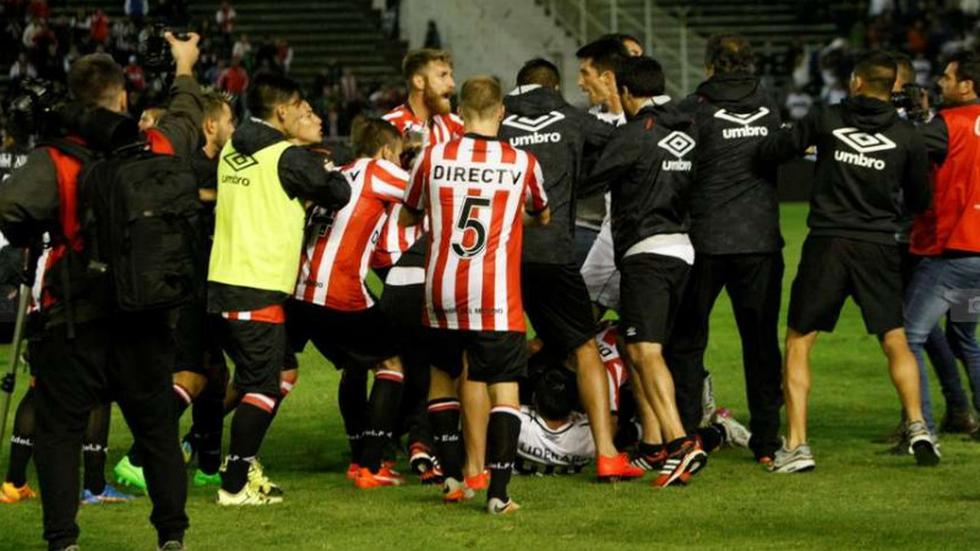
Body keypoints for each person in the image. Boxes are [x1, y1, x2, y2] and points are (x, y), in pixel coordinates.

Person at [0, 32, 203, 551]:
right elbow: (186, 114)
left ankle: (63, 540)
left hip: (77, 317)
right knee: (156, 431)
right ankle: (171, 536)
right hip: (147, 314)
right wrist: (182, 64)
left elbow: (10, 210)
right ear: (122, 99)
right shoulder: (155, 146)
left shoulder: (55, 160)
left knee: (60, 432)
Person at [757, 51, 939, 472]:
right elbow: (921, 200)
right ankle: (917, 424)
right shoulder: (907, 135)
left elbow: (773, 151)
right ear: (893, 86)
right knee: (895, 338)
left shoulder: (826, 118)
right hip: (877, 244)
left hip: (828, 243)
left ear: (856, 82)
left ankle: (798, 445)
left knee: (800, 341)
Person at [400, 75, 549, 514]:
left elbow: (409, 215)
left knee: (443, 378)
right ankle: (498, 494)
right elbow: (542, 213)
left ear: (460, 113)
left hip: (441, 289)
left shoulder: (432, 156)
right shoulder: (523, 162)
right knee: (505, 391)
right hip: (495, 297)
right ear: (501, 112)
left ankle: (451, 478)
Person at [207, 72, 351, 506]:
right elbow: (338, 191)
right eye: (300, 104)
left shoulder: (235, 146)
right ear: (283, 109)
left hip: (225, 279)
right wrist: (321, 166)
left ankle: (222, 456)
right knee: (262, 386)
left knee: (278, 373)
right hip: (258, 283)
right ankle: (234, 483)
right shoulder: (286, 156)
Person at [498, 57, 643, 481]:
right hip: (553, 253)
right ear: (555, 88)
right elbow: (625, 141)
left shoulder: (500, 119)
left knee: (484, 353)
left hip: (500, 255)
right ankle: (606, 452)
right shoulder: (571, 118)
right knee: (584, 348)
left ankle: (472, 460)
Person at [582, 56, 708, 488]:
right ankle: (654, 446)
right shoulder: (689, 129)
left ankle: (680, 443)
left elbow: (590, 180)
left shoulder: (636, 134)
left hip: (647, 252)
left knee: (645, 351)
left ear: (626, 93)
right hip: (683, 250)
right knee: (643, 352)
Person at [669, 34, 784, 465]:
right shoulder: (769, 104)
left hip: (704, 240)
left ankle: (682, 433)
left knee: (686, 341)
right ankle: (768, 443)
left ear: (709, 67)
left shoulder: (692, 109)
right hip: (759, 242)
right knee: (760, 342)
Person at [114, 91, 237, 491]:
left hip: (207, 284)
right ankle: (137, 458)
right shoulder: (190, 168)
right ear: (211, 125)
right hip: (189, 285)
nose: (234, 130)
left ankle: (207, 464)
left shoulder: (220, 167)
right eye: (230, 122)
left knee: (215, 376)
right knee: (191, 376)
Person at [288, 116, 410, 489]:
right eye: (399, 155)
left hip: (302, 291)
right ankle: (372, 466)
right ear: (387, 151)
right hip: (340, 291)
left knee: (355, 365)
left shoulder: (337, 173)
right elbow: (425, 191)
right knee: (392, 364)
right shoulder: (378, 170)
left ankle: (359, 455)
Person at [378, 48, 463, 485]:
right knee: (398, 356)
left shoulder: (458, 129)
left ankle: (414, 439)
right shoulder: (389, 128)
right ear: (418, 82)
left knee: (427, 354)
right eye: (443, 75)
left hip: (441, 254)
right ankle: (393, 441)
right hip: (396, 253)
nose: (452, 83)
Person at [906, 50, 980, 442]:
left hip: (955, 254)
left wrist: (918, 118)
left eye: (948, 78)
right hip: (979, 262)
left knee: (909, 336)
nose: (941, 82)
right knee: (965, 337)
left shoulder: (949, 124)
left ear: (967, 84)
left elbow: (906, 146)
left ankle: (923, 429)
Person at [575, 37, 633, 313]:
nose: (579, 82)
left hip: (638, 244)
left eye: (585, 73)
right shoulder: (590, 124)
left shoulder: (646, 121)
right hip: (610, 239)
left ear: (607, 77)